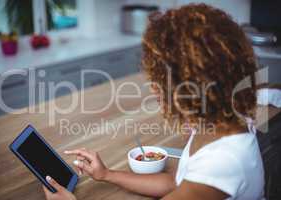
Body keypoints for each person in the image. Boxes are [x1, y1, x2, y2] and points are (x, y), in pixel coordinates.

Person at [43, 4, 265, 200]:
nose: (153, 88)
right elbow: (177, 183)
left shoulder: (223, 162)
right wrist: (106, 174)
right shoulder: (216, 120)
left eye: (159, 80)